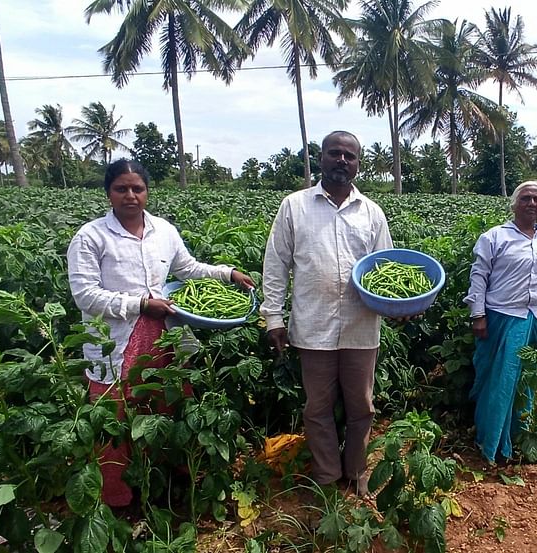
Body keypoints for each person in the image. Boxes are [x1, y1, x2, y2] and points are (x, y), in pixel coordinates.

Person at [66, 158, 255, 507]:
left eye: (137, 188)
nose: (130, 196)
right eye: (121, 188)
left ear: (147, 192)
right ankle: (118, 499)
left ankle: (168, 485)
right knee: (114, 419)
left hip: (164, 336)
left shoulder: (163, 231)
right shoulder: (91, 237)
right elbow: (85, 295)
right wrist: (140, 304)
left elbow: (188, 268)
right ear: (108, 192)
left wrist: (228, 274)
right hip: (115, 341)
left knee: (165, 407)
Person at [261, 131, 393, 496]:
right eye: (334, 153)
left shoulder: (372, 213)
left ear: (358, 164)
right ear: (320, 158)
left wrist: (398, 305)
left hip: (360, 327)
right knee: (317, 407)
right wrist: (274, 317)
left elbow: (385, 269)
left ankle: (357, 471)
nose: (342, 161)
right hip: (313, 325)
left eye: (349, 156)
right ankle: (326, 476)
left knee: (361, 406)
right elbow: (276, 264)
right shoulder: (295, 206)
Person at [464, 180, 537, 464]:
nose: (532, 203)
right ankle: (492, 444)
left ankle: (519, 437)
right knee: (500, 380)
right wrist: (478, 314)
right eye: (526, 198)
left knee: (527, 380)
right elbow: (479, 277)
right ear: (514, 204)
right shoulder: (495, 237)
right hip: (503, 317)